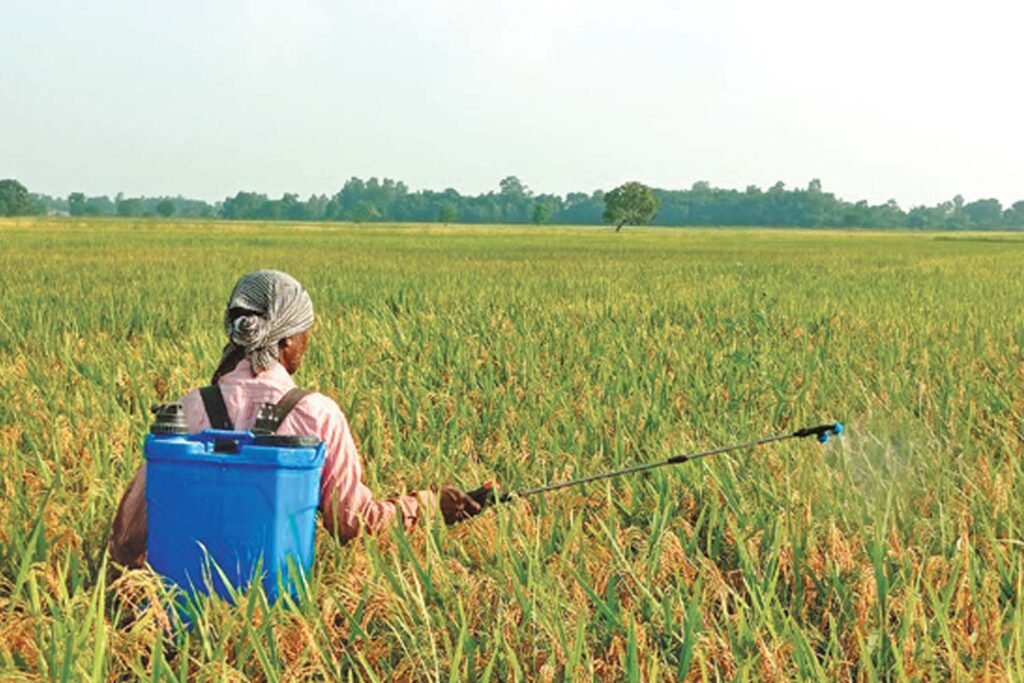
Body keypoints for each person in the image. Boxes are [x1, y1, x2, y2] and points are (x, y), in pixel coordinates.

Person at [109, 269, 483, 569]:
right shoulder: (317, 414)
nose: (306, 344)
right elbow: (353, 523)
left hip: (180, 613)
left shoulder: (189, 408)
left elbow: (127, 538)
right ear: (286, 340)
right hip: (275, 617)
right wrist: (431, 506)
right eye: (304, 335)